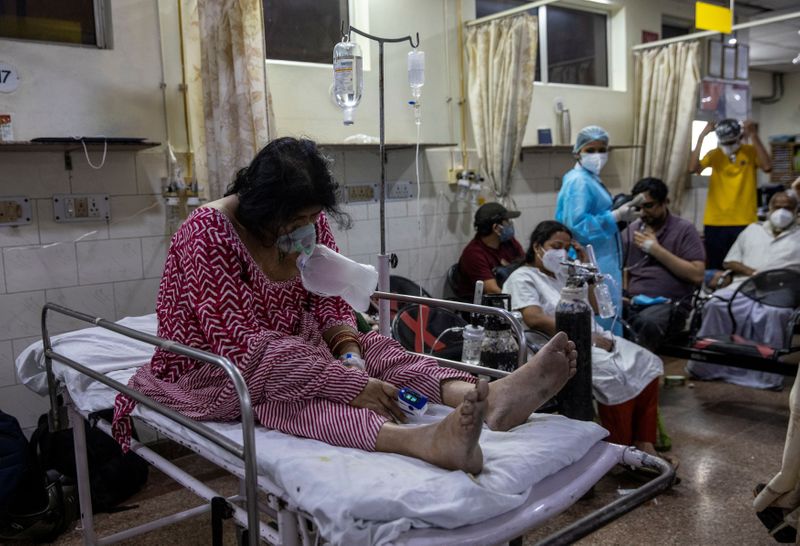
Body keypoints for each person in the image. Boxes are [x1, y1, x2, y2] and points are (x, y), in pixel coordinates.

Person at [111, 137, 578, 475]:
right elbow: (245, 350)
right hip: (213, 366)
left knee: (381, 348)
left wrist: (350, 353)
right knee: (281, 397)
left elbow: (330, 299)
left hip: (296, 343)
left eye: (314, 218)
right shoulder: (206, 235)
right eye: (297, 221)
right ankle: (421, 441)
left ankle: (489, 400)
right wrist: (347, 386)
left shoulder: (308, 222)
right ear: (262, 209)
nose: (308, 231)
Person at [503, 221, 667, 460]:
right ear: (538, 247)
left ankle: (643, 442)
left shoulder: (564, 274)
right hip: (556, 345)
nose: (561, 252)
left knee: (646, 362)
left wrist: (587, 268)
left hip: (594, 337)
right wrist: (584, 336)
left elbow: (598, 307)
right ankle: (617, 451)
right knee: (614, 374)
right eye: (555, 246)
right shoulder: (523, 278)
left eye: (566, 247)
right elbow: (534, 318)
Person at [686, 192, 799, 390]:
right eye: (777, 206)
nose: (782, 212)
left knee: (775, 314)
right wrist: (752, 272)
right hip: (744, 284)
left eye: (788, 207)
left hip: (781, 291)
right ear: (769, 209)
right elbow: (729, 261)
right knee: (715, 303)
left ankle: (766, 376)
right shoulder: (752, 230)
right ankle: (705, 367)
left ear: (796, 211)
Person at [556, 125, 639, 335]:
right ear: (577, 152)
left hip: (602, 258)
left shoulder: (590, 179)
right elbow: (577, 225)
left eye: (602, 150)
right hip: (592, 258)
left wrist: (621, 217)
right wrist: (616, 216)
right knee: (601, 314)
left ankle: (615, 359)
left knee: (609, 310)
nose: (597, 155)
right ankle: (604, 361)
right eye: (590, 150)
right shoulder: (578, 181)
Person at [622, 178, 706, 352]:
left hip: (670, 305)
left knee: (646, 323)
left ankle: (643, 373)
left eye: (649, 206)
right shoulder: (631, 231)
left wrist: (656, 250)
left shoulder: (684, 230)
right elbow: (625, 270)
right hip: (634, 301)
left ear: (665, 202)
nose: (643, 213)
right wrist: (623, 295)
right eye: (639, 208)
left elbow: (697, 275)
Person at [689, 118, 772, 270]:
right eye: (725, 143)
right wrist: (702, 136)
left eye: (731, 142)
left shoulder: (750, 152)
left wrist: (753, 135)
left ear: (739, 138)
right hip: (715, 221)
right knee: (715, 266)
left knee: (745, 264)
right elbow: (693, 168)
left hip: (744, 219)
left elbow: (767, 166)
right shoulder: (715, 154)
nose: (728, 146)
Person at [456, 202, 525, 299]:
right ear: (496, 228)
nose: (510, 225)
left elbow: (527, 267)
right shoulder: (474, 254)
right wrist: (521, 302)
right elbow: (493, 290)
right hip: (489, 307)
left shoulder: (509, 243)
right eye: (507, 222)